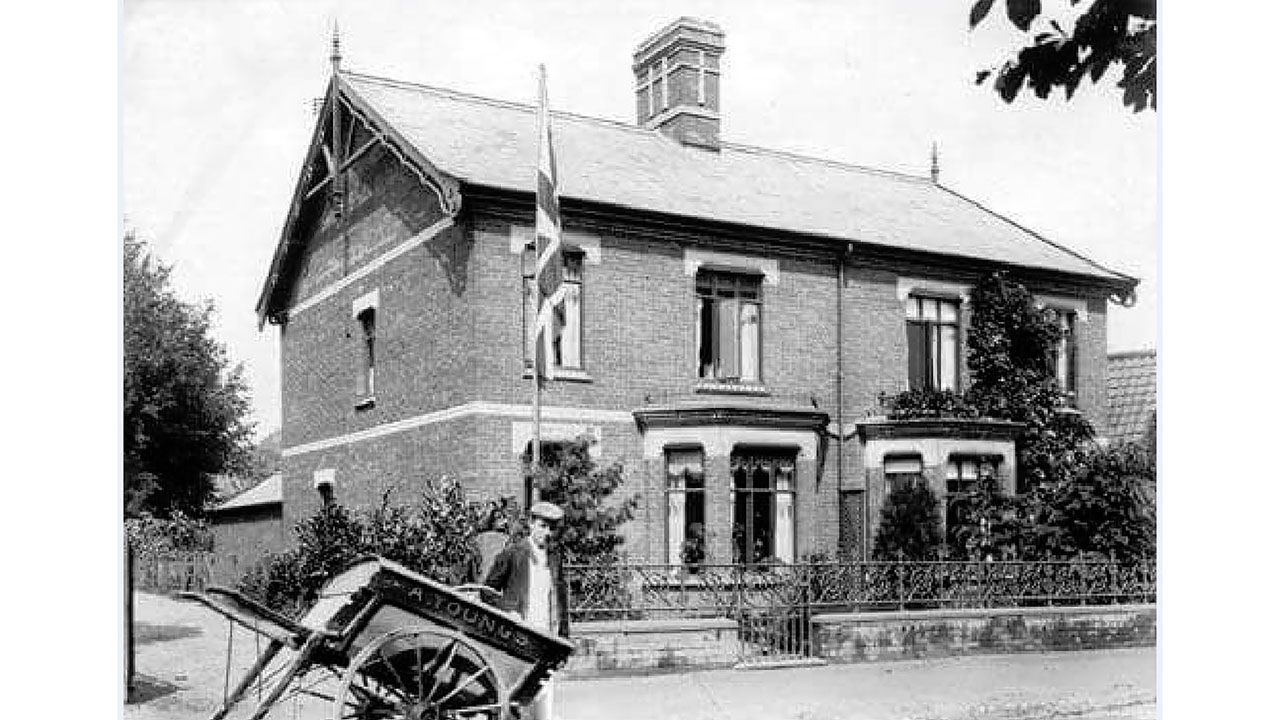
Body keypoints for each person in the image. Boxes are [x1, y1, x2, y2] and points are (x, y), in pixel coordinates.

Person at [483, 500, 569, 720]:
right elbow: (487, 591)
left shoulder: (554, 558)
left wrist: (564, 638)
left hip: (547, 639)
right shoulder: (513, 554)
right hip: (519, 638)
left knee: (544, 700)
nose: (547, 533)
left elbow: (561, 600)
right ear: (531, 524)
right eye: (542, 526)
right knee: (516, 697)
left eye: (551, 528)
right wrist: (508, 611)